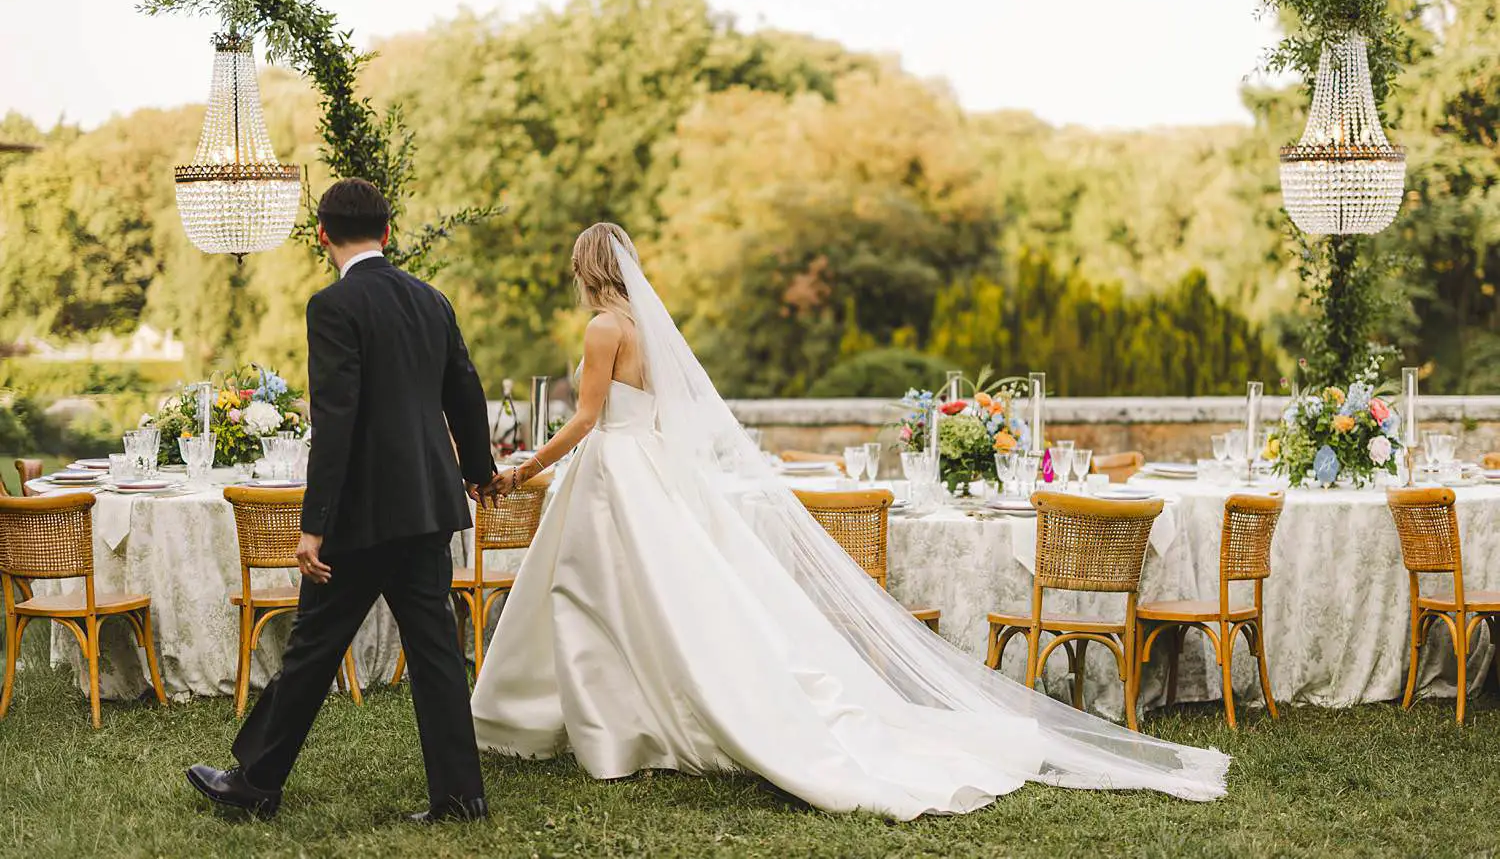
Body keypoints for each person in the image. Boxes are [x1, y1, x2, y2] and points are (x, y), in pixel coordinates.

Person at [468, 222, 1230, 821]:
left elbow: (587, 420)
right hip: (648, 471)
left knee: (597, 597)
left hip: (615, 472)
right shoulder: (647, 327)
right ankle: (623, 720)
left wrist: (523, 470)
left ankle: (605, 724)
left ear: (586, 268)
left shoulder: (604, 328)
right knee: (642, 602)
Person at [187, 178, 497, 822]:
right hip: (427, 508)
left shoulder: (332, 306)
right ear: (387, 231)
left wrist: (314, 525)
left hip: (361, 515)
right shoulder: (432, 300)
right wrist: (478, 470)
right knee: (437, 652)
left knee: (314, 647)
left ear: (323, 235)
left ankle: (255, 783)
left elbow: (336, 420)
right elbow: (465, 391)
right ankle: (460, 796)